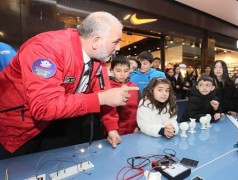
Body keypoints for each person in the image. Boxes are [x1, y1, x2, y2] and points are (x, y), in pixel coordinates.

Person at [0, 11, 139, 159]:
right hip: (18, 130)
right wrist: (100, 99)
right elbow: (44, 107)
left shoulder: (99, 59)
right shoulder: (46, 49)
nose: (118, 48)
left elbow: (104, 91)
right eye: (115, 41)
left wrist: (111, 127)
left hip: (58, 125)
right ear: (96, 41)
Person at [105, 55, 139, 148]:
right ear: (111, 70)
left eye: (126, 71)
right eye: (118, 70)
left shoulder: (134, 87)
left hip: (133, 131)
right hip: (115, 132)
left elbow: (138, 109)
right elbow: (107, 112)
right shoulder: (108, 87)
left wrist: (138, 126)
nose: (122, 74)